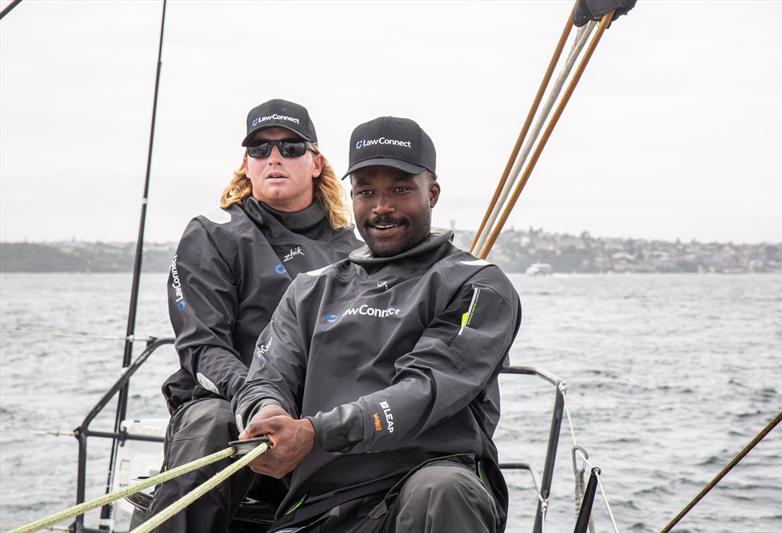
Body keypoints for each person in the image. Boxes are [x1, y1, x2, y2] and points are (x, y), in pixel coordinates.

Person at [234, 116, 522, 532]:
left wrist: (314, 432)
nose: (382, 207)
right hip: (321, 506)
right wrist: (268, 415)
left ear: (433, 193)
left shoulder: (477, 285)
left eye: (400, 190)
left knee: (440, 489)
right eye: (366, 191)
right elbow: (265, 378)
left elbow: (425, 389)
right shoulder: (310, 290)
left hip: (426, 487)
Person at [147, 98, 362, 532]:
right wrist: (260, 401)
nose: (275, 158)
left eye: (291, 148)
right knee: (213, 422)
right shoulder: (213, 234)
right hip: (231, 412)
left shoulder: (355, 251)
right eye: (260, 150)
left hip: (320, 425)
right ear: (247, 164)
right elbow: (203, 346)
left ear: (317, 162)